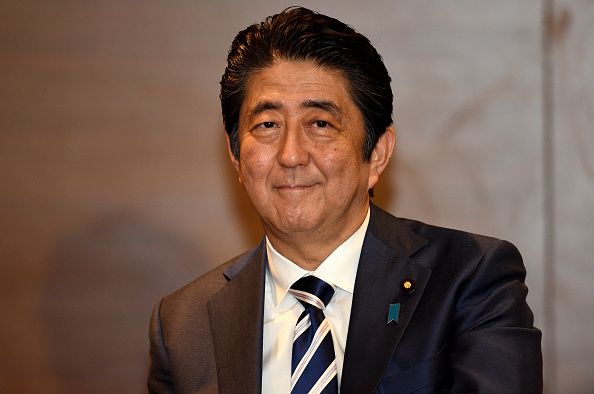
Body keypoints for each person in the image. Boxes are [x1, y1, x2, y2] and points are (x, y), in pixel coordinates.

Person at [148, 7, 542, 394]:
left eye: (320, 124)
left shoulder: (470, 279)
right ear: (236, 154)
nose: (291, 155)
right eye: (267, 125)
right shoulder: (184, 324)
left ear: (377, 154)